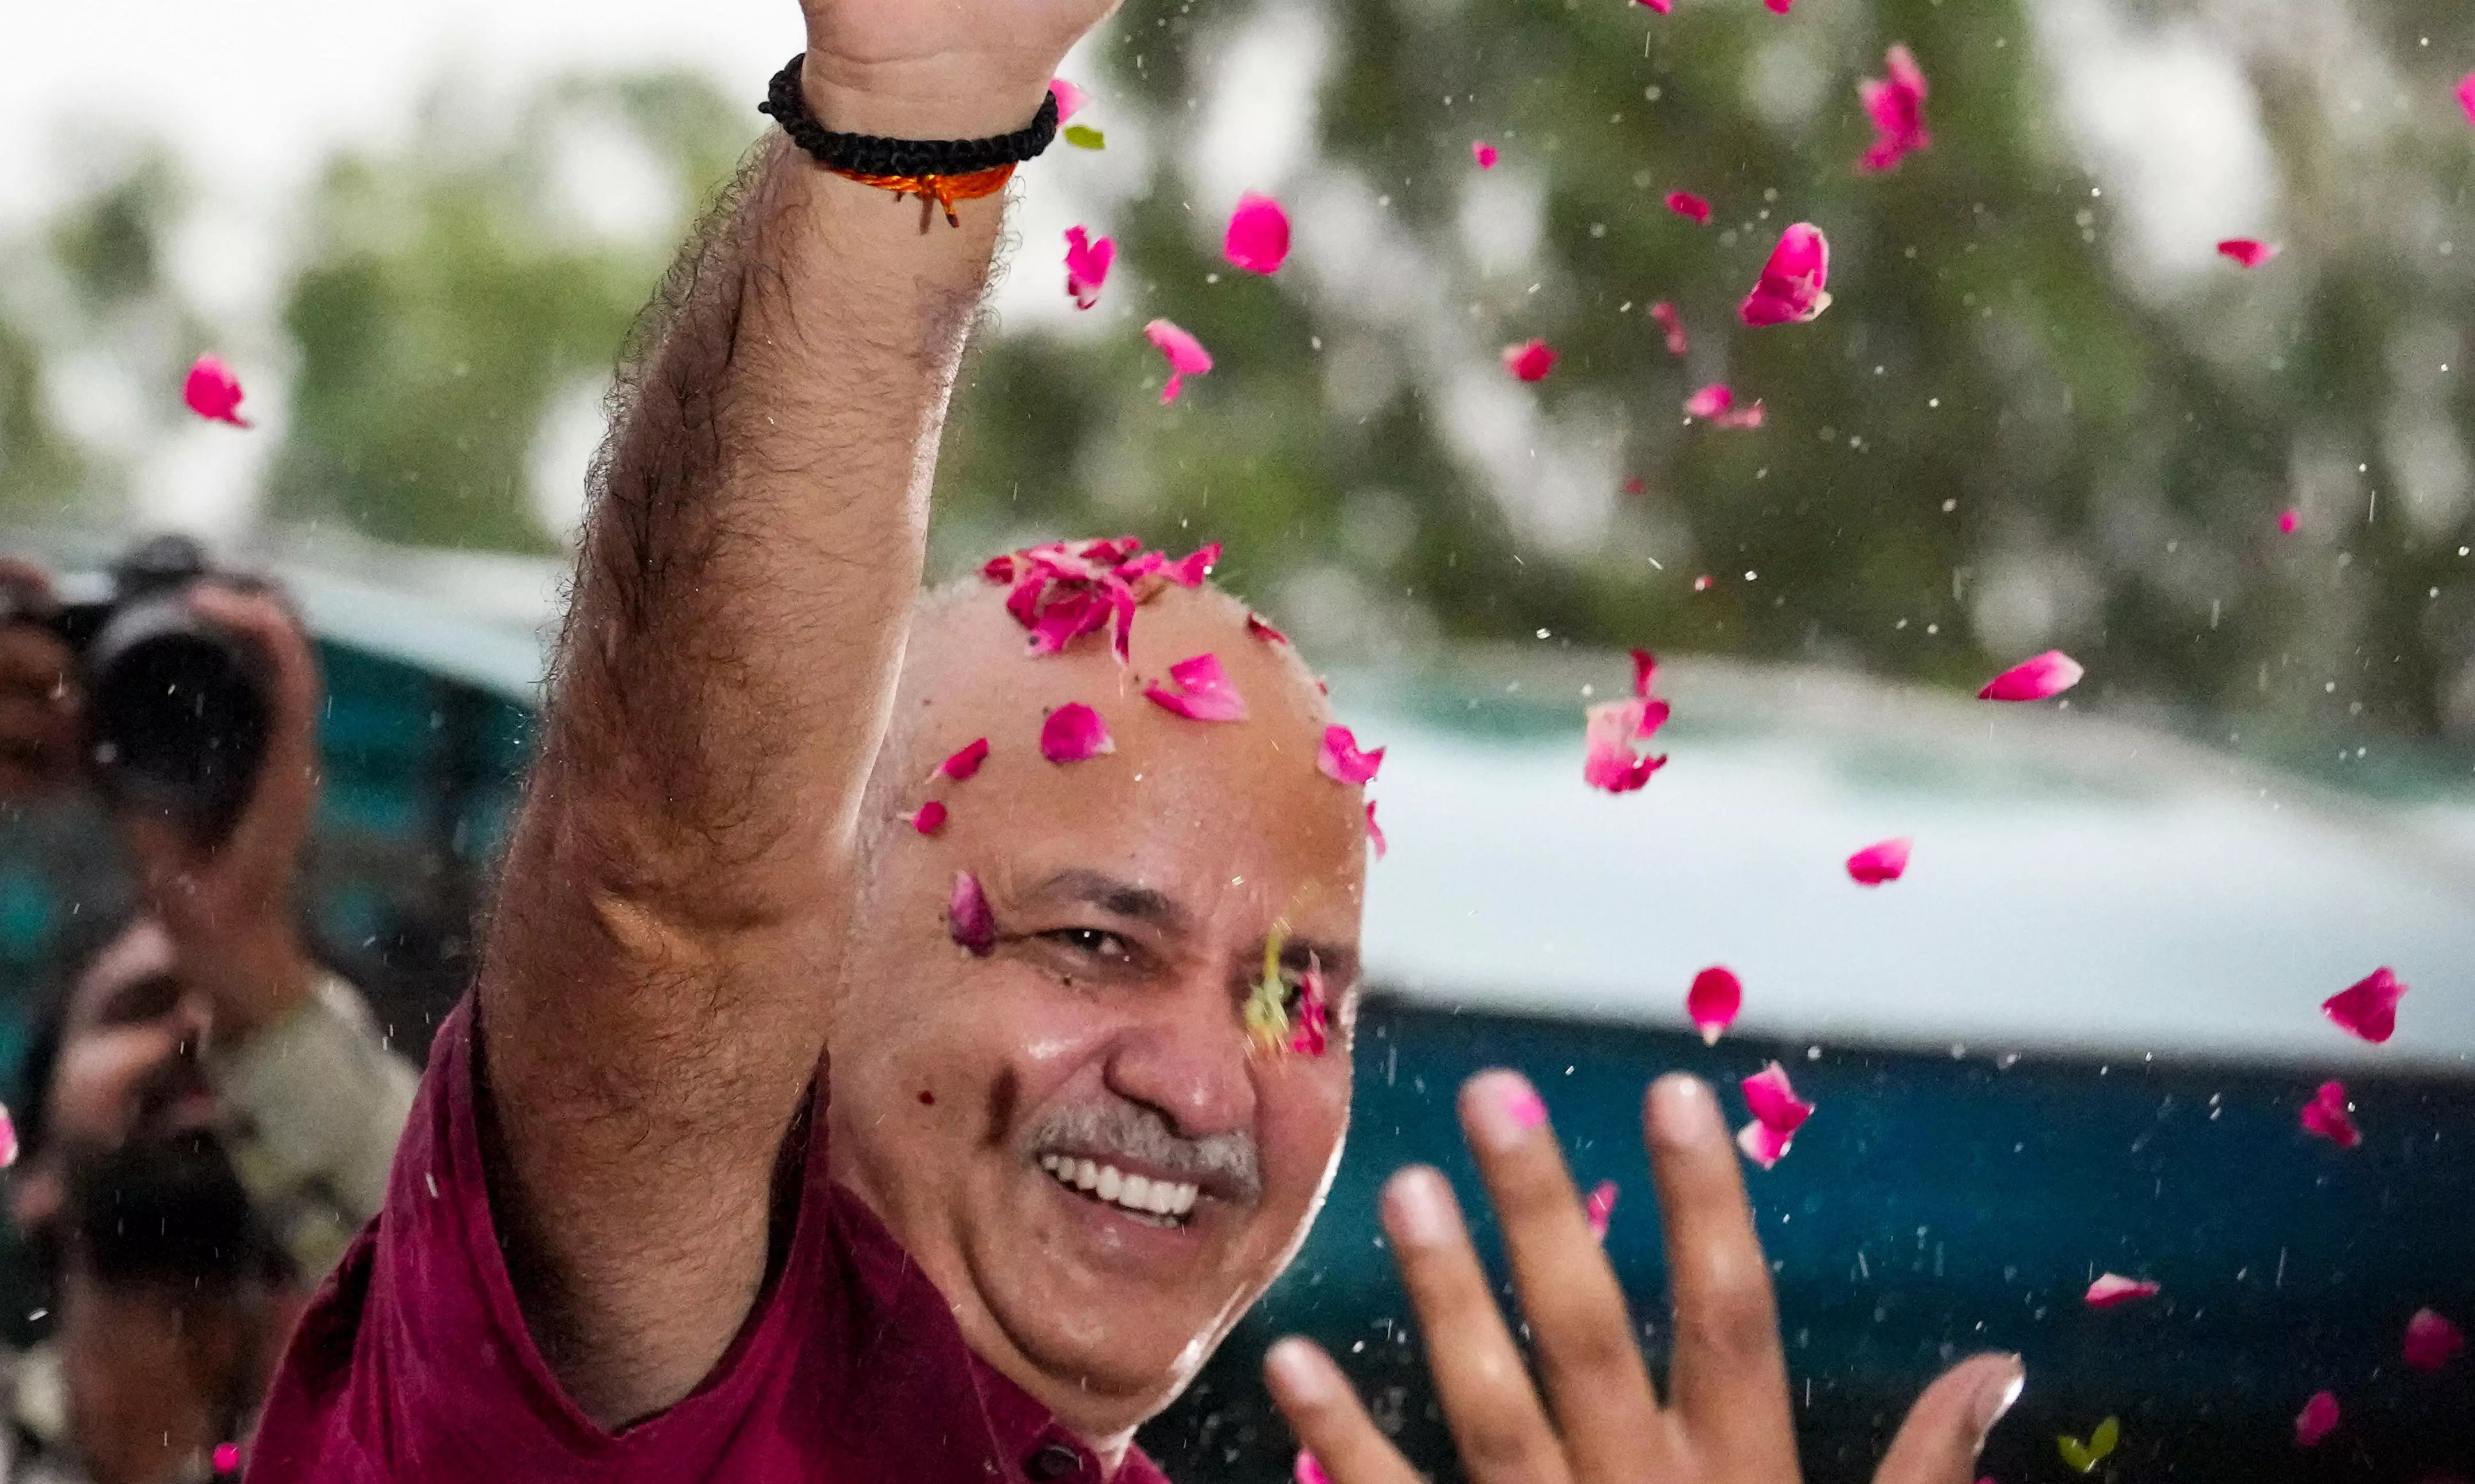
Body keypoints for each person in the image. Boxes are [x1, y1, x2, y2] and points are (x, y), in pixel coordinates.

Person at [246, 0, 2027, 1478]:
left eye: (1293, 992)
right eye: (1093, 940)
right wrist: (903, 130)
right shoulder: (663, 1392)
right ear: (813, 971)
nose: (1203, 1081)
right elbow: (670, 891)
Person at [0, 571, 418, 1484]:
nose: (203, 1041)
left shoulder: (411, 1450)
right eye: (144, 1007)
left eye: (246, 1038)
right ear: (34, 1177)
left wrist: (242, 952)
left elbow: (470, 1266)